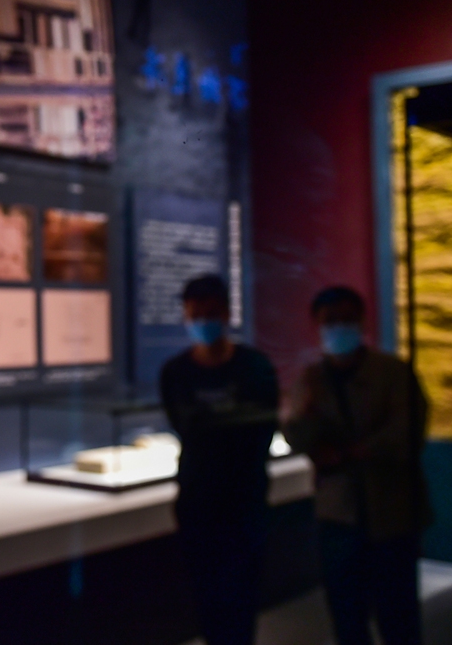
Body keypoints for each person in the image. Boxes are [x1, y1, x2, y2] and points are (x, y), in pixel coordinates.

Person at [282, 286, 431, 645]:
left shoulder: (392, 372)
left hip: (391, 512)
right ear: (316, 325)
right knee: (347, 616)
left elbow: (408, 429)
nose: (339, 327)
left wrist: (353, 453)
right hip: (338, 515)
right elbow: (295, 433)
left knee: (398, 617)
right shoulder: (311, 378)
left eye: (347, 319)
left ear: (362, 321)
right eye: (330, 321)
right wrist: (306, 419)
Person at [160, 274, 280, 645]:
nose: (202, 322)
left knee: (242, 601)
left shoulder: (255, 366)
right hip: (198, 504)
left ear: (226, 313)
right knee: (207, 602)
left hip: (244, 503)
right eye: (195, 314)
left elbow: (262, 429)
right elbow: (184, 428)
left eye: (210, 313)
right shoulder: (175, 372)